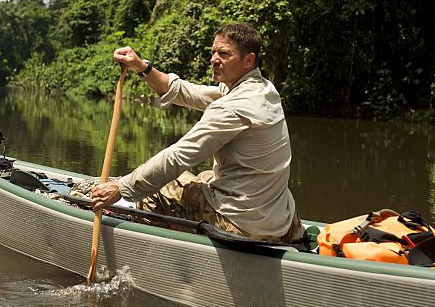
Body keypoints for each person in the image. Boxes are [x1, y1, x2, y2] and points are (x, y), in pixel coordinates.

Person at [91, 23, 299, 243]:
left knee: (163, 185)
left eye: (224, 54)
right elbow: (188, 93)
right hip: (282, 221)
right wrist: (142, 67)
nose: (213, 59)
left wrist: (121, 187)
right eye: (213, 52)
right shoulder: (264, 89)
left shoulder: (233, 106)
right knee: (205, 177)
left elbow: (177, 157)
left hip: (241, 225)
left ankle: (153, 256)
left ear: (248, 60)